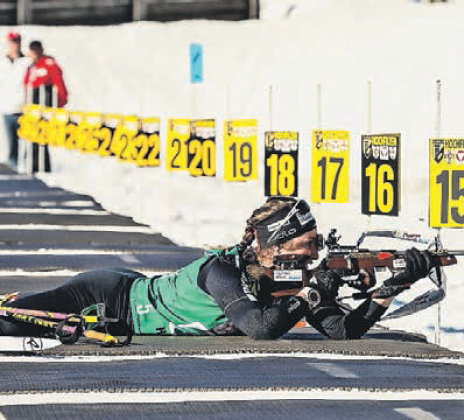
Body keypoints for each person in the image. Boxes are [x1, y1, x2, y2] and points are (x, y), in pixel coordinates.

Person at [0, 197, 436, 340]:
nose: (315, 252)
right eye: (308, 244)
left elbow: (342, 330)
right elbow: (261, 328)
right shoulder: (221, 271)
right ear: (276, 244)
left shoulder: (290, 279)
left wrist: (391, 287)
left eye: (318, 243)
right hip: (108, 296)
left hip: (129, 294)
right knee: (14, 320)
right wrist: (315, 289)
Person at [23, 40, 69, 172]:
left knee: (42, 138)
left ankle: (44, 168)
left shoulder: (49, 64)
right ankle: (33, 167)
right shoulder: (31, 66)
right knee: (32, 138)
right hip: (32, 107)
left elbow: (59, 84)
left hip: (44, 106)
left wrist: (60, 104)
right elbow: (27, 85)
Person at [0, 31, 29, 169]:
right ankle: (13, 168)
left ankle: (27, 169)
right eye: (12, 41)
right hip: (7, 108)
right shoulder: (3, 63)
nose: (14, 44)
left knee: (28, 143)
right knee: (11, 144)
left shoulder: (27, 62)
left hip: (24, 109)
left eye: (17, 41)